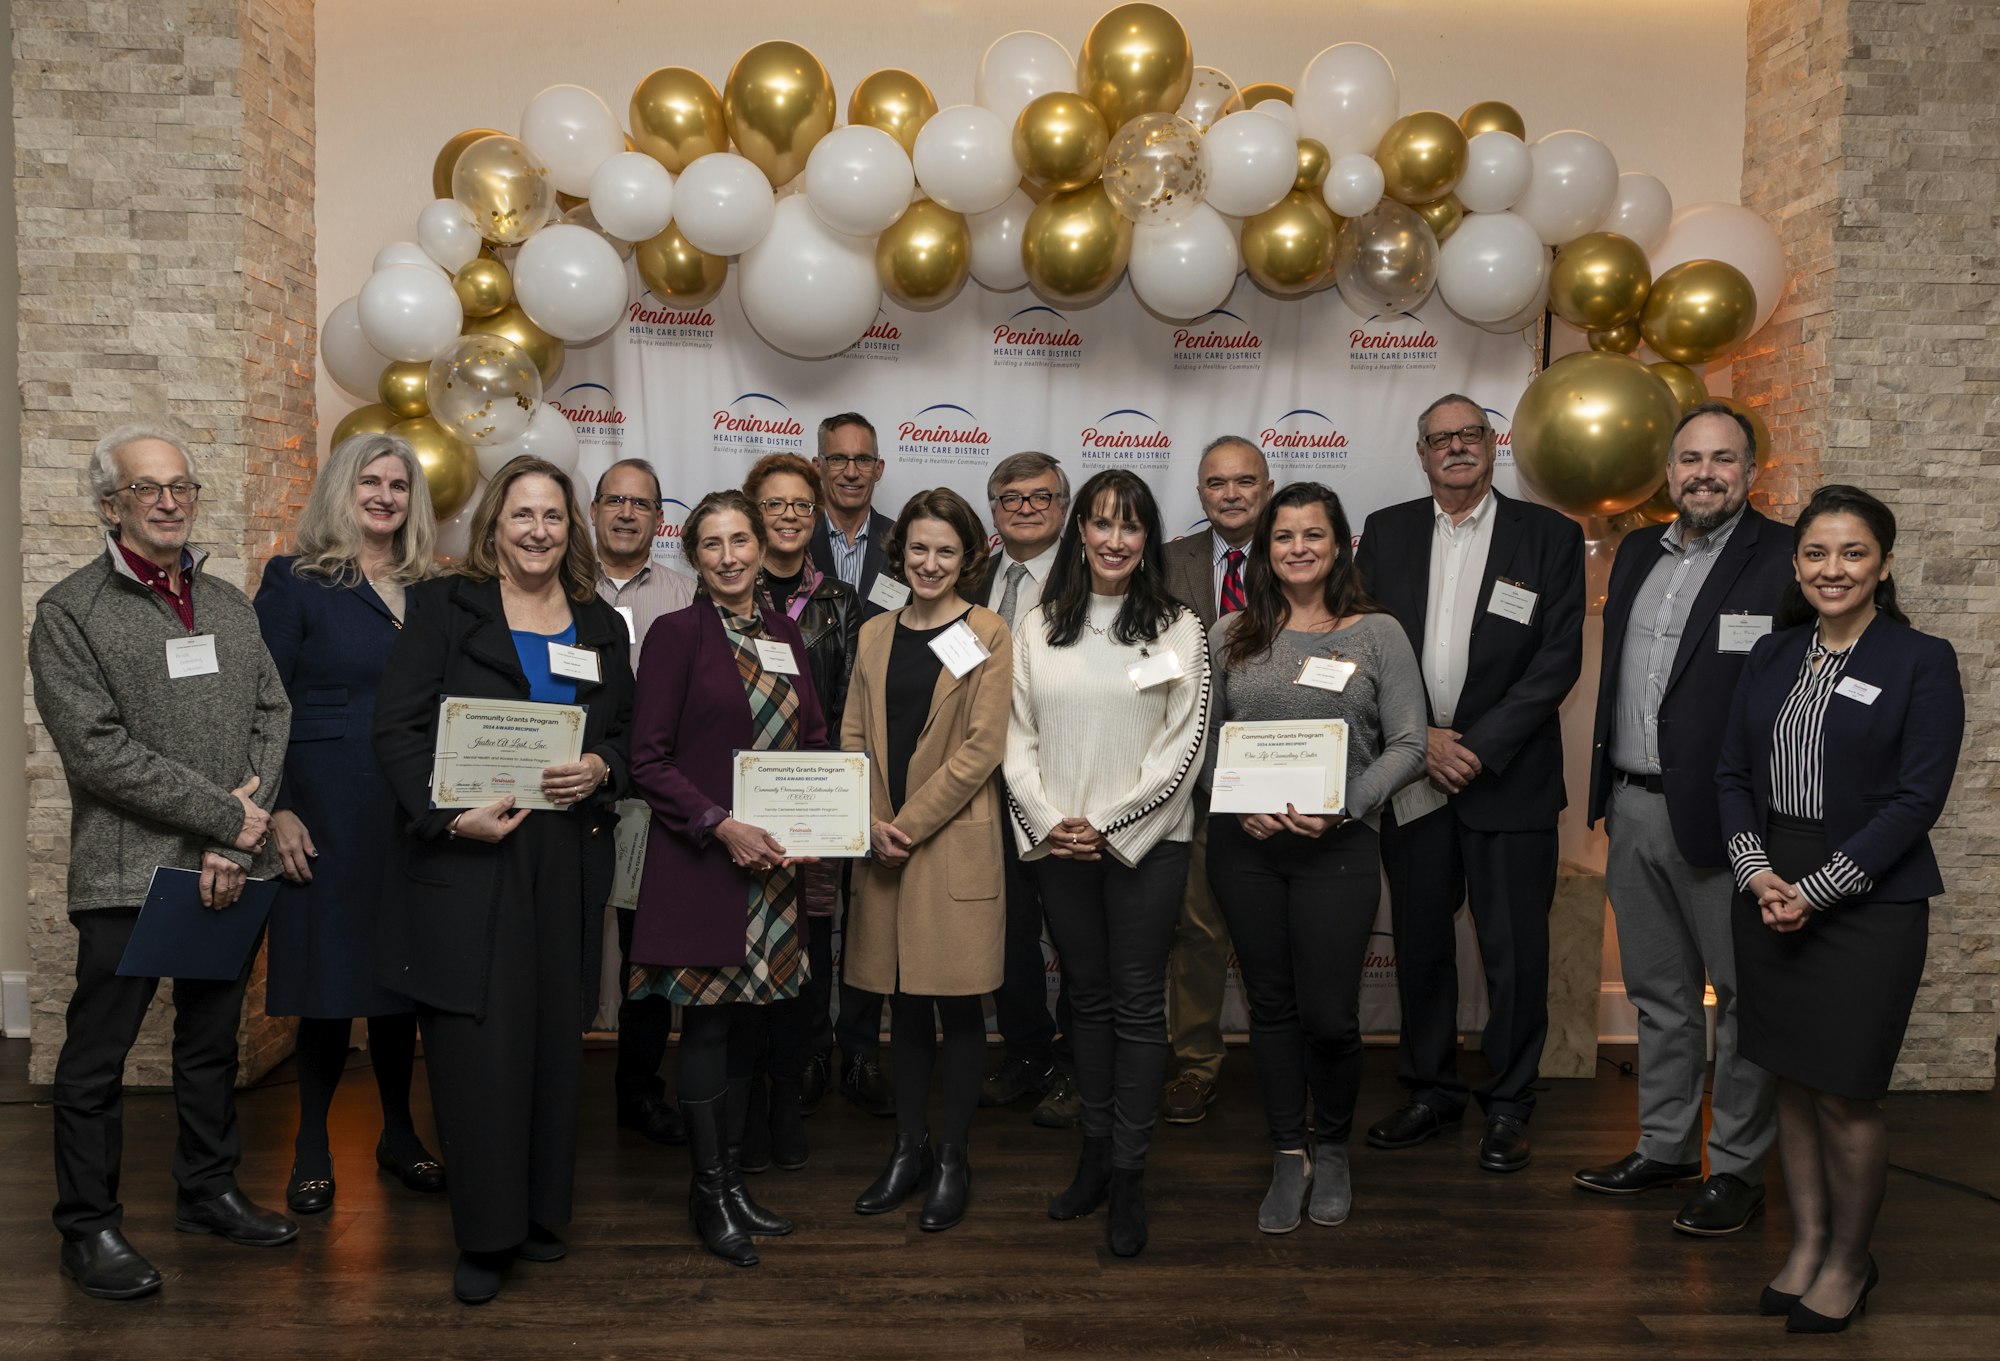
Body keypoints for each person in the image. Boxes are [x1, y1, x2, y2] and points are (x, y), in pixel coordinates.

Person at [32, 421, 294, 1300]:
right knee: (96, 1058)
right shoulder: (71, 612)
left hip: (229, 866)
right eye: (150, 489)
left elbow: (273, 712)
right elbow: (97, 752)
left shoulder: (226, 603)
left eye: (182, 485)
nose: (171, 501)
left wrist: (230, 840)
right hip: (126, 872)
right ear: (112, 506)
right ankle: (89, 1227)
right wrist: (227, 813)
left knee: (210, 1040)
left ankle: (208, 1189)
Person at [372, 456, 633, 1305]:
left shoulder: (600, 623)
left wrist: (600, 765)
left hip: (565, 857)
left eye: (553, 516)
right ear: (494, 526)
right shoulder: (448, 606)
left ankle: (542, 1212)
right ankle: (486, 1233)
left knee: (557, 1034)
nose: (537, 531)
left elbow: (628, 736)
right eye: (521, 514)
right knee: (477, 1043)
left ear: (572, 528)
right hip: (471, 850)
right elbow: (399, 728)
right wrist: (449, 819)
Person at [1718, 485, 1962, 1334]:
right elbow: (1733, 777)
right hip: (1768, 887)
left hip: (1867, 899)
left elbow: (1915, 798)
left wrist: (1816, 890)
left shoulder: (1921, 659)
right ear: (1797, 563)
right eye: (1817, 553)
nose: (1833, 569)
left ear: (1883, 564)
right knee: (1789, 1076)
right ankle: (1809, 1241)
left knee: (1847, 1092)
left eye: (1853, 553)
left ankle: (1852, 1260)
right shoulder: (1771, 655)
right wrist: (1756, 875)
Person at [1576, 403, 1793, 1234]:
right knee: (1658, 992)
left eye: (1724, 459)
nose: (1706, 472)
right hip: (1632, 804)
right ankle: (1666, 1144)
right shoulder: (1637, 550)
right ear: (1669, 473)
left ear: (1750, 470)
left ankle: (1735, 1165)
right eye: (1691, 459)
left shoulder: (1782, 558)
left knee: (1738, 998)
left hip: (1731, 820)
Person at [1357, 394, 1584, 1173]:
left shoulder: (1549, 535)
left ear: (1496, 445)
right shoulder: (1385, 532)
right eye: (1440, 439)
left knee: (1514, 950)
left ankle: (1512, 1100)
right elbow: (1365, 652)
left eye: (1470, 435)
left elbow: (1557, 662)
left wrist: (1476, 747)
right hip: (1415, 770)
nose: (1456, 447)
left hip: (1509, 777)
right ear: (1421, 454)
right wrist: (1425, 742)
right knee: (1421, 943)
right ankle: (1429, 1088)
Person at [1206, 483, 1426, 1233]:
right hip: (1248, 848)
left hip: (1340, 846)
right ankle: (1287, 1151)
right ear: (1264, 550)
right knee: (1269, 1007)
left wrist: (1347, 805)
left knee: (1330, 1014)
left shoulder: (1377, 635)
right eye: (1283, 536)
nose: (1298, 547)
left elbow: (1410, 743)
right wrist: (1238, 800)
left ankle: (1332, 1145)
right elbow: (1204, 749)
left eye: (1313, 534)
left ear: (1339, 545)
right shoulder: (1230, 631)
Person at [1004, 469, 1211, 1258]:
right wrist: (1058, 824)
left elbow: (1183, 744)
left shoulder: (1178, 625)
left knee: (1135, 1004)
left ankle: (1130, 1173)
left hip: (1147, 846)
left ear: (1145, 537)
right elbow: (1016, 738)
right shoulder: (1038, 624)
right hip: (1063, 845)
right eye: (1101, 523)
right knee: (1084, 1001)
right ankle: (1092, 1156)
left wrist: (1111, 823)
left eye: (1131, 526)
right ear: (1079, 530)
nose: (1115, 539)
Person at [626, 490, 828, 1269]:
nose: (731, 556)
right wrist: (720, 823)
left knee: (749, 1026)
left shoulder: (784, 632)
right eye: (712, 544)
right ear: (695, 555)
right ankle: (707, 1193)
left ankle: (734, 1181)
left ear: (759, 543)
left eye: (740, 539)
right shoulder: (677, 634)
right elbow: (648, 759)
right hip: (705, 862)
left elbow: (811, 738)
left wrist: (816, 822)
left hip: (773, 869)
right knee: (708, 1028)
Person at [254, 432, 445, 1217]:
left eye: (399, 485)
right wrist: (277, 810)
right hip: (325, 810)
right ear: (343, 487)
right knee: (328, 989)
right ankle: (310, 1147)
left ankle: (398, 1135)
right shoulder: (295, 581)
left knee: (401, 985)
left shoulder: (436, 590)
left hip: (416, 812)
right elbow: (262, 706)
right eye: (371, 481)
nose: (385, 496)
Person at [842, 488, 1011, 1231]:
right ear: (899, 551)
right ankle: (907, 1149)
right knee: (901, 1005)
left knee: (959, 1005)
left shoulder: (988, 631)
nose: (930, 562)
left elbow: (982, 747)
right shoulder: (875, 632)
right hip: (881, 844)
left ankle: (952, 1157)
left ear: (967, 556)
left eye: (945, 550)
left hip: (947, 844)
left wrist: (904, 823)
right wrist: (868, 819)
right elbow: (852, 733)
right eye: (918, 548)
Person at [744, 453, 859, 1167]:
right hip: (744, 797)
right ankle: (750, 1065)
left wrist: (833, 800)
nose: (788, 516)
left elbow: (847, 706)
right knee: (748, 925)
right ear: (754, 511)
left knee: (814, 931)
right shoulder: (726, 590)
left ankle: (809, 1054)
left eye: (800, 506)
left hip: (814, 795)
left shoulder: (839, 602)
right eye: (775, 503)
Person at [1159, 435, 1274, 1126]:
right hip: (1193, 781)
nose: (1231, 493)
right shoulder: (1171, 561)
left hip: (1282, 775)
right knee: (1198, 933)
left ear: (1265, 485)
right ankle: (1197, 1064)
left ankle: (1285, 1068)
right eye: (1216, 483)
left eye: (1244, 481)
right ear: (1200, 492)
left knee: (1280, 936)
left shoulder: (1301, 551)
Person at [589, 458, 694, 1150]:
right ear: (593, 510)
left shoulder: (689, 596)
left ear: (661, 520)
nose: (627, 513)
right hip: (567, 793)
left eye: (642, 504)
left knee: (644, 957)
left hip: (652, 805)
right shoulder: (556, 588)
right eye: (615, 500)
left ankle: (638, 1088)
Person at [975, 451, 1077, 1129]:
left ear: (1064, 507)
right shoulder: (970, 572)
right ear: (994, 510)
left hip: (1068, 783)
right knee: (1007, 932)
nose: (1027, 508)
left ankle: (1077, 1064)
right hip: (985, 783)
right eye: (1011, 498)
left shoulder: (1093, 573)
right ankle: (1028, 1052)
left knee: (1074, 932)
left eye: (1042, 497)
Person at [807, 413, 894, 1113]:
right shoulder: (782, 538)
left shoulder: (906, 544)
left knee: (870, 908)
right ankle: (808, 1049)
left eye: (862, 459)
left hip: (883, 755)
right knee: (810, 907)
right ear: (818, 466)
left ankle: (862, 1048)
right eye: (837, 459)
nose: (849, 470)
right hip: (805, 759)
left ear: (879, 469)